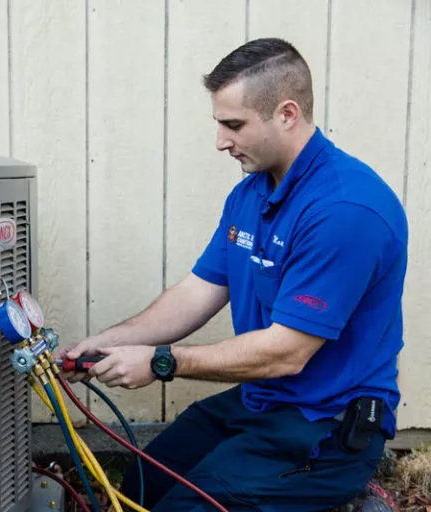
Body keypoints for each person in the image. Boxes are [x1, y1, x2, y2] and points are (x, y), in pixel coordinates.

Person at [56, 38, 406, 511]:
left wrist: (162, 362)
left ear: (286, 114)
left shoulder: (344, 211)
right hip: (260, 400)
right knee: (135, 486)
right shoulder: (252, 194)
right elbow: (195, 293)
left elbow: (287, 353)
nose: (221, 141)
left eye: (233, 125)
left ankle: (343, 498)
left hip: (325, 424)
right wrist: (108, 343)